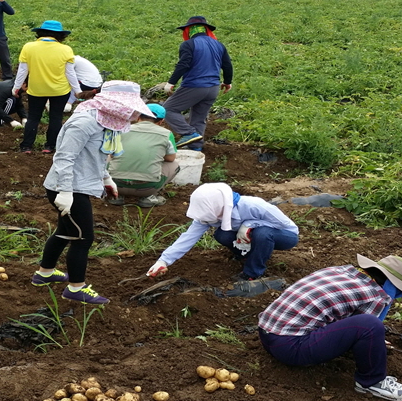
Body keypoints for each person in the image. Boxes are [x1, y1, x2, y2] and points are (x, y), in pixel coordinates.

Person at [33, 80, 153, 305]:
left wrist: (106, 178)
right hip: (69, 188)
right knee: (83, 238)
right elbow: (64, 157)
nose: (134, 113)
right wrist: (66, 191)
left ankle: (45, 273)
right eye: (131, 108)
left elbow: (95, 156)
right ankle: (75, 288)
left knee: (66, 231)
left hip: (81, 184)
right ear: (116, 105)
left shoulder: (104, 122)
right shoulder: (84, 122)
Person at [258, 254, 402, 401]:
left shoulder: (341, 271)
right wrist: (374, 341)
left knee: (367, 325)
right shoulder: (376, 295)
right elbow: (366, 327)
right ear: (393, 285)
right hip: (291, 348)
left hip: (267, 332)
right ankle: (372, 381)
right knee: (371, 325)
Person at [147, 182, 299, 280]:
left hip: (285, 236)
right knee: (222, 234)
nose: (209, 220)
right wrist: (163, 260)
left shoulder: (254, 205)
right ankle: (246, 256)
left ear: (220, 207)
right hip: (254, 236)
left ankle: (252, 273)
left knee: (263, 233)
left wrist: (250, 224)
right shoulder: (210, 213)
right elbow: (188, 238)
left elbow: (286, 226)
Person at [155, 16, 233, 151]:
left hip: (195, 86)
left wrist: (171, 82)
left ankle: (189, 133)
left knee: (168, 109)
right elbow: (227, 66)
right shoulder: (219, 45)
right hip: (213, 88)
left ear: (189, 30)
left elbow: (183, 64)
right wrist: (227, 82)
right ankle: (195, 148)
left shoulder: (189, 44)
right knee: (198, 118)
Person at [11, 20, 82, 154]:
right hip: (60, 90)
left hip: (37, 90)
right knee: (55, 118)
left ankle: (26, 146)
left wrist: (16, 87)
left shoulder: (29, 47)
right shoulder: (65, 49)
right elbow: (70, 73)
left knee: (33, 118)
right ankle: (50, 146)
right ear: (60, 35)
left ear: (40, 33)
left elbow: (22, 71)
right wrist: (78, 91)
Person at [107, 103, 179, 208]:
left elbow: (112, 155)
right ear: (161, 121)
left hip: (116, 184)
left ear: (138, 117)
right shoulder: (166, 134)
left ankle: (115, 196)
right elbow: (171, 158)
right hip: (146, 188)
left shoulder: (121, 129)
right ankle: (149, 197)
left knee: (109, 158)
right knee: (174, 165)